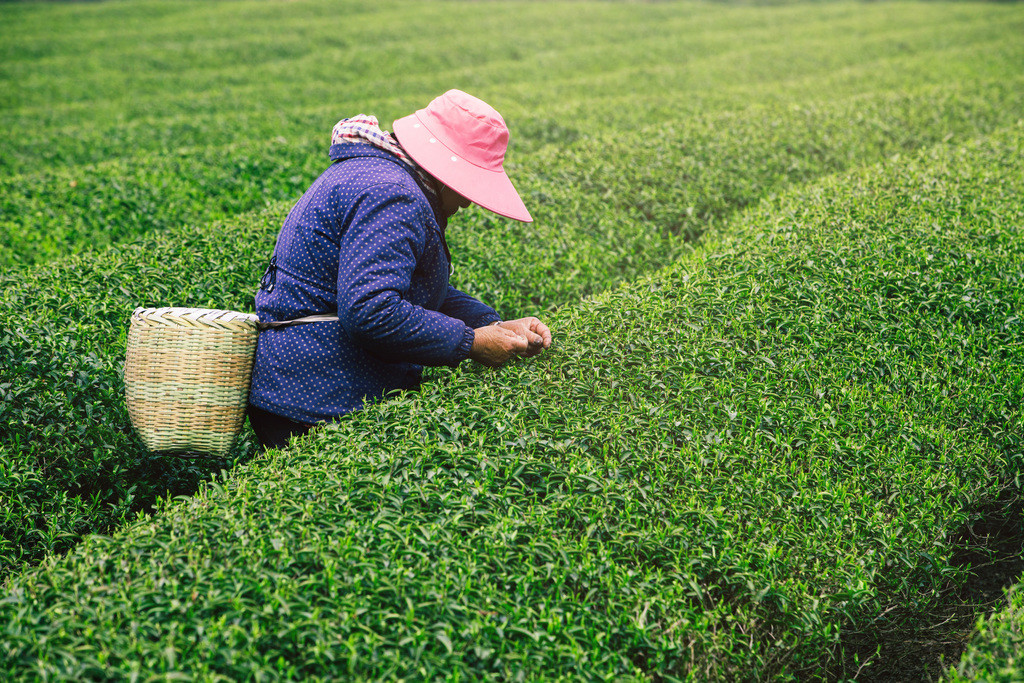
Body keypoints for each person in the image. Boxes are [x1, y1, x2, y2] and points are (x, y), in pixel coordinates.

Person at [247, 89, 552, 450]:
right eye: (468, 186)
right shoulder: (393, 195)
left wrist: (491, 325)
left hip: (299, 387)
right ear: (443, 169)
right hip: (317, 399)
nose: (468, 202)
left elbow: (410, 289)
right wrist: (471, 343)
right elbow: (372, 310)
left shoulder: (376, 173)